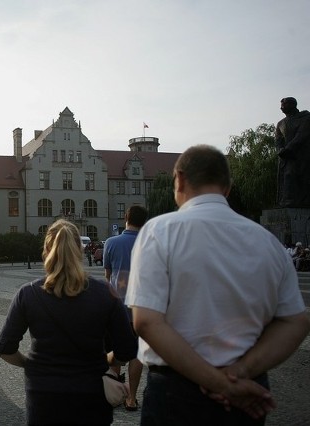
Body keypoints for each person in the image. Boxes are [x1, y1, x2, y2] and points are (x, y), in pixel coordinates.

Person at [126, 145, 310, 425]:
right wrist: (239, 373)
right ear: (227, 187)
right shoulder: (267, 241)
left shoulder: (159, 231)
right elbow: (295, 322)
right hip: (246, 391)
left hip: (177, 392)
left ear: (180, 179)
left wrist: (219, 383)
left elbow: (147, 322)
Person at [0, 219, 138, 425]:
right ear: (80, 251)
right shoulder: (105, 294)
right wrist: (105, 360)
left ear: (46, 250)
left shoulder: (28, 294)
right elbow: (126, 350)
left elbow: (4, 348)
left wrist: (32, 364)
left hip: (44, 396)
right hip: (91, 395)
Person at [103, 204, 148, 411]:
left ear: (126, 219)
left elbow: (108, 277)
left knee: (116, 349)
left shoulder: (111, 242)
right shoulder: (150, 242)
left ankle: (115, 392)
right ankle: (131, 398)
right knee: (137, 353)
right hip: (141, 307)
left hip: (116, 307)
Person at [275, 97, 310, 207]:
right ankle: (286, 202)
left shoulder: (306, 118)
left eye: (283, 105)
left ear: (292, 105)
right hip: (285, 157)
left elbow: (302, 135)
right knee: (286, 178)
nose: (281, 108)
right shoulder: (280, 123)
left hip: (301, 155)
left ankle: (301, 203)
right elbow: (278, 140)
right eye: (281, 105)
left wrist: (289, 148)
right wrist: (280, 150)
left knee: (300, 178)